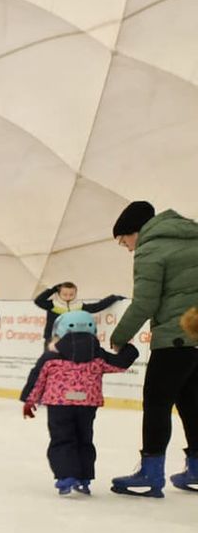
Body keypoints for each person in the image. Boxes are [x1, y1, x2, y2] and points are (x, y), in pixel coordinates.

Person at [108, 200, 198, 496]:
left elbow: (146, 302)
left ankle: (151, 471)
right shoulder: (192, 237)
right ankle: (197, 467)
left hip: (174, 338)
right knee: (192, 403)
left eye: (124, 242)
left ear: (134, 232)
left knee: (157, 402)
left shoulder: (151, 248)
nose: (129, 249)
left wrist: (119, 336)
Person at [19, 310, 137, 497]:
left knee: (62, 439)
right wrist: (129, 347)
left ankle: (66, 476)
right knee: (84, 439)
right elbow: (121, 364)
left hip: (59, 404)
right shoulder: (97, 353)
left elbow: (38, 377)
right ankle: (84, 478)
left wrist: (29, 400)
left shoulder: (52, 354)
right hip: (87, 404)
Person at [34, 280, 122, 345]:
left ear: (75, 293)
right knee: (50, 362)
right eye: (65, 294)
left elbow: (96, 307)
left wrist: (113, 298)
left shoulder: (79, 306)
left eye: (71, 294)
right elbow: (38, 301)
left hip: (72, 340)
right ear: (59, 293)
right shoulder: (52, 305)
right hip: (52, 339)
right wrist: (52, 289)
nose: (68, 297)